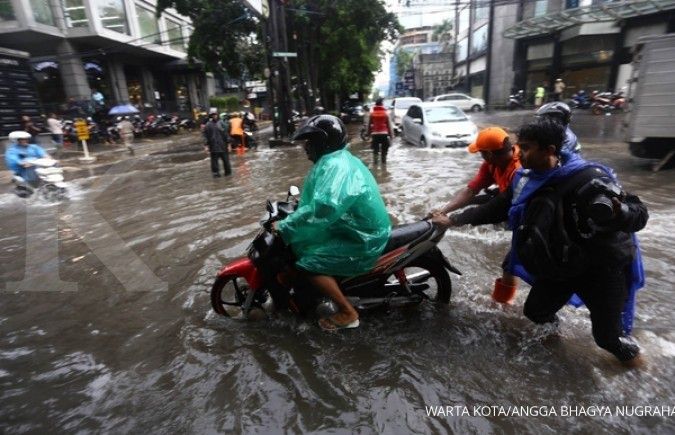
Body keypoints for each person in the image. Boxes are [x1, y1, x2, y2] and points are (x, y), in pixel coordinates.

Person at [432, 117, 648, 366]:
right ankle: (558, 346)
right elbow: (497, 207)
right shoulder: (524, 180)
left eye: (526, 148)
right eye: (519, 146)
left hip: (601, 268)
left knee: (608, 339)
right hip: (561, 265)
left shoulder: (590, 177)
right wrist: (454, 220)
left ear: (550, 151)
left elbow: (639, 213)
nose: (519, 154)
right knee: (536, 311)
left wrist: (619, 212)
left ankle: (640, 366)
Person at [275, 115, 391, 330]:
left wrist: (286, 226)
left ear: (323, 142)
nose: (305, 147)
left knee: (309, 264)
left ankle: (348, 312)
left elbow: (324, 207)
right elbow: (319, 200)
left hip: (361, 236)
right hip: (349, 227)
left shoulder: (335, 165)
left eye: (310, 142)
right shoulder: (335, 160)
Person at [428, 127, 522, 303]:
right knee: (511, 265)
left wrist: (453, 220)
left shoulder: (519, 170)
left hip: (533, 219)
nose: (481, 157)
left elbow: (497, 207)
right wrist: (444, 210)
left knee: (518, 264)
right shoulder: (492, 164)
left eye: (481, 153)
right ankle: (504, 304)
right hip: (516, 213)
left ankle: (505, 306)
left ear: (488, 154)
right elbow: (471, 191)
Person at [203, 111, 231, 177]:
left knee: (226, 162)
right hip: (213, 147)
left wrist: (229, 144)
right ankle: (216, 175)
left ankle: (228, 174)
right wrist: (206, 146)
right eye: (213, 115)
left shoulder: (221, 123)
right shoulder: (208, 125)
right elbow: (205, 136)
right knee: (214, 163)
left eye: (215, 115)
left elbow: (226, 134)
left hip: (223, 146)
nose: (214, 116)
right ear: (211, 116)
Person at [367, 98, 393, 164]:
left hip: (375, 135)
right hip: (384, 134)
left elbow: (369, 125)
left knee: (375, 151)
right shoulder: (385, 114)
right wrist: (391, 136)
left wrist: (368, 134)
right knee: (384, 152)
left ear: (375, 105)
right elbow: (389, 126)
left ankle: (375, 165)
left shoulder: (372, 114)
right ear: (382, 104)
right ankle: (384, 166)